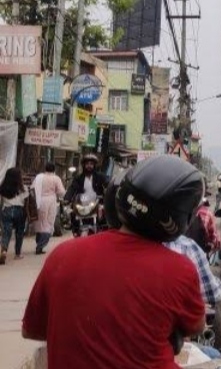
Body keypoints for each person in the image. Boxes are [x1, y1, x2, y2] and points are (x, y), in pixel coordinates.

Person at [22, 155, 206, 369]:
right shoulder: (180, 270)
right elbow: (196, 327)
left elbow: (32, 330)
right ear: (181, 217)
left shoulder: (62, 255)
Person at [65, 154, 108, 236]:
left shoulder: (100, 176)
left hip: (97, 203)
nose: (89, 166)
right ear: (84, 165)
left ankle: (104, 232)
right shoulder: (79, 178)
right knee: (72, 213)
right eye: (87, 164)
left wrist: (109, 191)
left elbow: (107, 184)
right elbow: (72, 188)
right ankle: (75, 231)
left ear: (94, 165)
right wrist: (67, 198)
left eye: (91, 164)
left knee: (104, 213)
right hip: (82, 204)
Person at [32, 163, 65, 255]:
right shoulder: (56, 178)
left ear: (45, 169)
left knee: (40, 222)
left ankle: (39, 241)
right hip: (50, 202)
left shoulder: (39, 177)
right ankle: (40, 246)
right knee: (48, 223)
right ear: (54, 170)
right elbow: (61, 192)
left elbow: (32, 188)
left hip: (39, 201)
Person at [0, 168, 30, 263]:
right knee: (19, 233)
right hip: (19, 211)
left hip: (6, 210)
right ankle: (17, 254)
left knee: (6, 232)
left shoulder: (2, 187)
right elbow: (26, 202)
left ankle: (4, 251)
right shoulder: (23, 188)